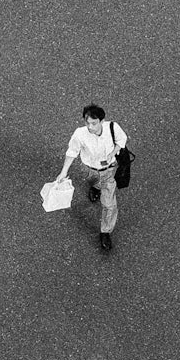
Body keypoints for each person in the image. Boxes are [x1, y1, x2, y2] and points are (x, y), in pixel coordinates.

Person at [58, 104, 128, 252]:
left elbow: (122, 140)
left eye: (94, 123)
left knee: (109, 204)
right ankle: (96, 188)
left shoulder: (113, 128)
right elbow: (72, 151)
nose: (90, 127)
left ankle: (105, 231)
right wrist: (64, 171)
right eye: (87, 122)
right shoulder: (80, 134)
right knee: (94, 181)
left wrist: (113, 152)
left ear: (102, 121)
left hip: (109, 170)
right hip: (90, 169)